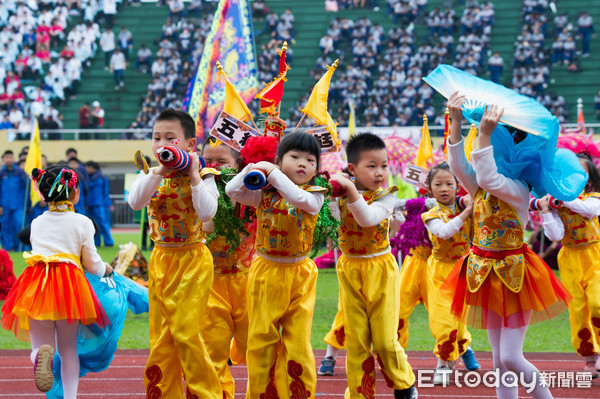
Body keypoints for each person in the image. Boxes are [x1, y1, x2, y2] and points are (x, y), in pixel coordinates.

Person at [445, 92, 574, 398]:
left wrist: (486, 134)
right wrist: (455, 123)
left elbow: (488, 177)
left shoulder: (517, 188)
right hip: (485, 271)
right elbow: (461, 168)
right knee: (499, 362)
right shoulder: (483, 186)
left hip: (515, 274)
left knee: (511, 358)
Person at [127, 108, 221, 398]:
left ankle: (205, 394)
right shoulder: (150, 173)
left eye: (170, 138)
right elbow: (135, 203)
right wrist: (157, 172)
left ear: (190, 144)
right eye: (156, 138)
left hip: (192, 259)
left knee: (185, 331)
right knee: (161, 336)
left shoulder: (205, 173)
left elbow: (207, 212)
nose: (161, 144)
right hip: (161, 260)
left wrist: (192, 173)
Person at [225, 132, 326, 398]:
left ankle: (297, 393)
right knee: (261, 339)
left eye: (310, 160)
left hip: (300, 275)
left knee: (298, 342)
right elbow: (231, 190)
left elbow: (297, 199)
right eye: (295, 157)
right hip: (266, 272)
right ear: (280, 161)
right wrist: (254, 167)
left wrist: (273, 172)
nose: (303, 164)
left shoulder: (315, 195)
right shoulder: (263, 196)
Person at [1, 165, 112, 397]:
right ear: (75, 193)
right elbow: (92, 264)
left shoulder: (38, 223)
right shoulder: (83, 222)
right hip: (69, 286)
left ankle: (38, 355)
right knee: (69, 349)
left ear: (43, 193)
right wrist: (106, 269)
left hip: (37, 284)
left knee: (39, 345)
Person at [327, 132, 417, 399]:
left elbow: (367, 219)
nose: (380, 173)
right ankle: (358, 394)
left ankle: (404, 385)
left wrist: (350, 188)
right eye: (372, 166)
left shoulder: (387, 197)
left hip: (380, 270)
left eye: (384, 165)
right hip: (349, 270)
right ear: (352, 169)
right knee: (356, 342)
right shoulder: (338, 197)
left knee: (385, 342)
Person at [199, 138, 256, 399]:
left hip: (249, 282)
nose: (214, 167)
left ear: (239, 165)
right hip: (211, 283)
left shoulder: (254, 194)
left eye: (222, 162)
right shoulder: (199, 194)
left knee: (259, 349)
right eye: (208, 161)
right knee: (212, 352)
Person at [541, 153, 600, 377]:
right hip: (569, 259)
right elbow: (555, 235)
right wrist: (546, 209)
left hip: (595, 254)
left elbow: (590, 211)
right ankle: (588, 357)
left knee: (597, 303)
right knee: (578, 309)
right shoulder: (556, 204)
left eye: (580, 174)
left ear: (590, 179)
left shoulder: (593, 197)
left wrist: (563, 198)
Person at [421, 163, 480, 384]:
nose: (444, 188)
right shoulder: (430, 215)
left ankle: (463, 347)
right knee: (443, 319)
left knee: (458, 319)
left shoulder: (464, 204)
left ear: (458, 187)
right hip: (439, 270)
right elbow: (444, 232)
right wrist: (467, 211)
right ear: (429, 188)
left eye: (449, 184)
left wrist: (467, 203)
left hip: (463, 268)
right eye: (438, 184)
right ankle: (442, 364)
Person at [0, 150, 28, 251]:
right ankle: (7, 247)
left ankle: (20, 247)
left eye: (10, 157)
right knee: (4, 227)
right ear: (3, 159)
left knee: (19, 225)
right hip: (4, 205)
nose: (8, 159)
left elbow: (26, 187)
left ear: (13, 158)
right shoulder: (1, 173)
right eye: (6, 157)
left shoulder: (20, 172)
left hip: (18, 205)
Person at [85, 161, 114, 247]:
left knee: (102, 223)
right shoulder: (89, 178)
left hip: (98, 204)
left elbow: (104, 192)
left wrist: (107, 204)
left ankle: (109, 241)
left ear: (92, 168)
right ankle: (97, 242)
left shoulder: (100, 178)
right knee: (93, 224)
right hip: (91, 204)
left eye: (87, 167)